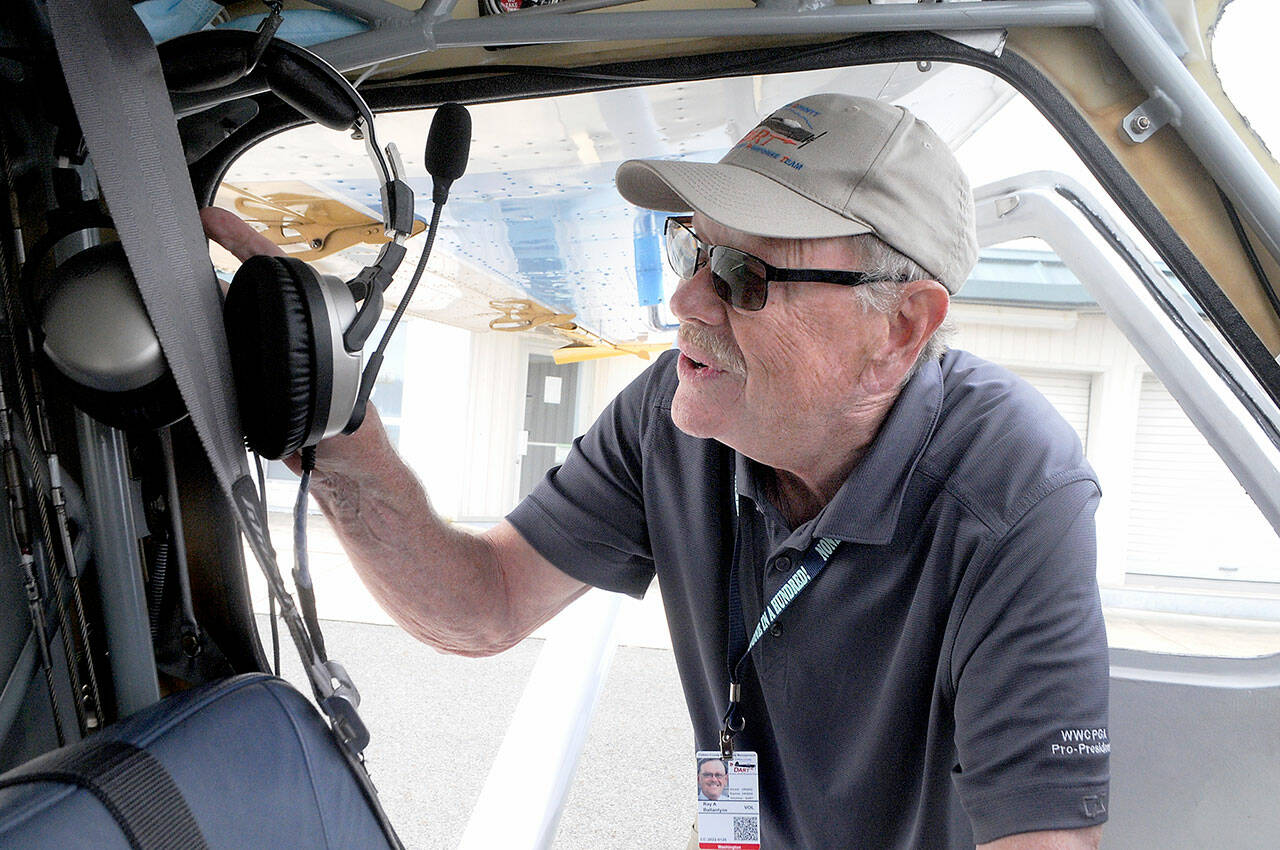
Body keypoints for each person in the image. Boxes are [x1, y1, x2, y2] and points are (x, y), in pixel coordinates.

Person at [204, 92, 1110, 849]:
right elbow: (480, 607)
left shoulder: (1014, 485)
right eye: (691, 249)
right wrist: (330, 417)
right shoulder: (673, 415)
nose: (684, 300)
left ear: (903, 326)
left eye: (742, 275)